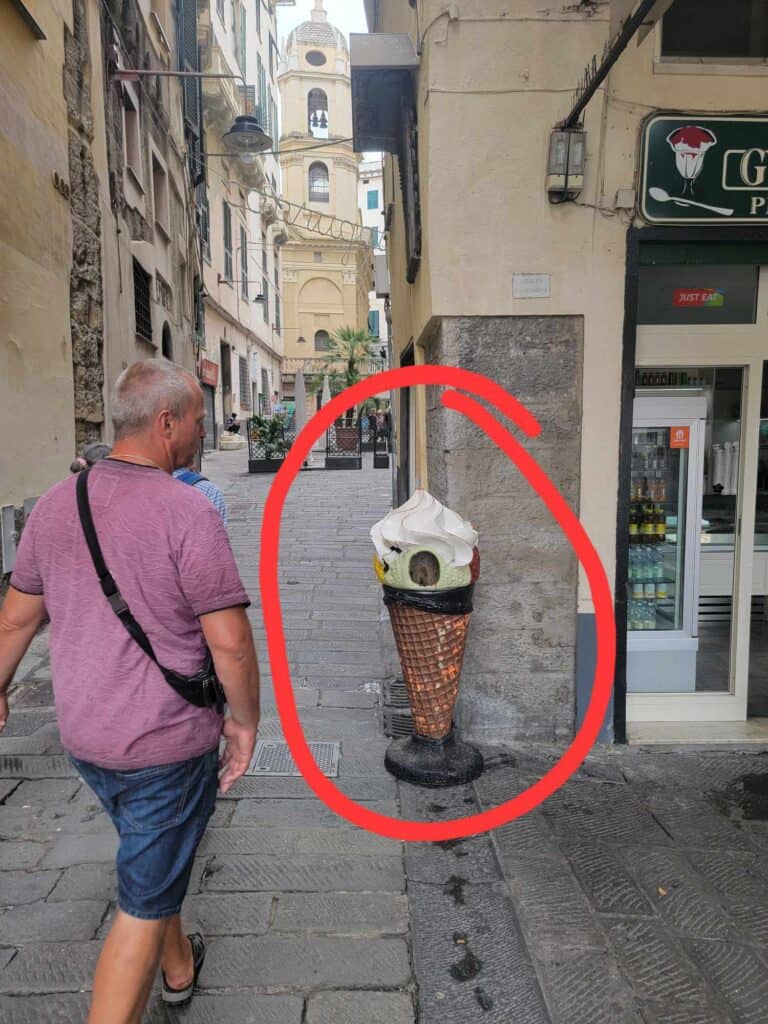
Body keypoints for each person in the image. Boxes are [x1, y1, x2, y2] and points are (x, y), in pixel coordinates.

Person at [0, 358, 260, 1023]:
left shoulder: (56, 506)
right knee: (139, 908)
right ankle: (149, 971)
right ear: (166, 421)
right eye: (198, 421)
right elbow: (229, 641)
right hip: (164, 743)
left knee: (152, 852)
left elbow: (15, 619)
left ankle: (179, 970)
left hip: (87, 738)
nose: (203, 433)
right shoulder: (186, 510)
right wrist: (245, 722)